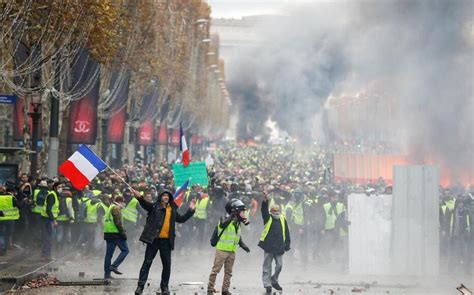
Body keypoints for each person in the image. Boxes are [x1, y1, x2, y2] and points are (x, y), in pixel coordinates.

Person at [134, 190, 196, 295]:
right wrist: (139, 197)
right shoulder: (154, 207)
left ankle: (165, 288)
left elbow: (181, 219)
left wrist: (191, 210)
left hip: (166, 242)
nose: (166, 197)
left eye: (168, 196)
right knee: (147, 263)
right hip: (154, 240)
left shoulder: (172, 209)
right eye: (164, 195)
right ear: (160, 197)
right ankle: (140, 287)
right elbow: (145, 204)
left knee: (167, 265)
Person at [207, 198, 250, 295]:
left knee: (228, 272)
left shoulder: (238, 222)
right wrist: (232, 216)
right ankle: (210, 289)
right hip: (222, 250)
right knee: (215, 270)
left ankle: (225, 290)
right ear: (234, 210)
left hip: (232, 251)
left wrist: (243, 245)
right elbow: (223, 225)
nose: (243, 213)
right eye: (241, 211)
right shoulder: (224, 218)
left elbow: (236, 235)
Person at [259, 192, 291, 294]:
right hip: (269, 246)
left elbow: (286, 232)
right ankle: (267, 284)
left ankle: (274, 280)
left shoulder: (282, 219)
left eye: (278, 211)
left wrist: (287, 244)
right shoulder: (268, 218)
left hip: (279, 246)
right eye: (274, 211)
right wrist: (265, 201)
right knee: (267, 267)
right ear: (271, 211)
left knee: (279, 265)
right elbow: (263, 210)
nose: (276, 213)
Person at [103, 196, 129, 279]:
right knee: (125, 250)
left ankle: (107, 275)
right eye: (124, 202)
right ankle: (114, 266)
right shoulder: (116, 208)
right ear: (120, 201)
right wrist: (123, 233)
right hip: (116, 234)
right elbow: (118, 222)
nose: (124, 204)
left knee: (108, 255)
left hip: (108, 233)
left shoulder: (110, 207)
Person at [41, 182, 61, 260]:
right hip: (48, 219)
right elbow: (48, 209)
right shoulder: (52, 195)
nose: (61, 189)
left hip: (50, 219)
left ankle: (45, 254)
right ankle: (45, 255)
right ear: (55, 187)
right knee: (49, 237)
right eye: (59, 187)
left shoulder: (55, 195)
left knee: (50, 237)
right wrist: (54, 220)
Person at [0, 187, 20, 256]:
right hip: (10, 219)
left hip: (1, 219)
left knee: (1, 234)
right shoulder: (11, 198)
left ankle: (1, 248)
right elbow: (19, 206)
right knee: (8, 234)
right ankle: (4, 249)